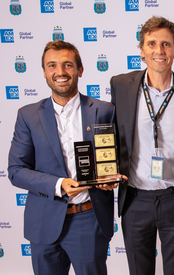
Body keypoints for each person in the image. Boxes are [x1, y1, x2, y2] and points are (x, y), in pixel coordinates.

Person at [8, 40, 118, 275]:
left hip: (89, 219)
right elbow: (16, 170)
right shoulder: (28, 115)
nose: (60, 72)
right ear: (45, 73)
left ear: (79, 70)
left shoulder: (104, 110)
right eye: (52, 66)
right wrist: (58, 185)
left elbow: (116, 157)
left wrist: (110, 178)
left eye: (68, 65)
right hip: (44, 222)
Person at [110, 16, 174, 275]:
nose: (159, 51)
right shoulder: (121, 85)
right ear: (141, 50)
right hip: (135, 199)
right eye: (152, 44)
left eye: (166, 44)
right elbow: (111, 136)